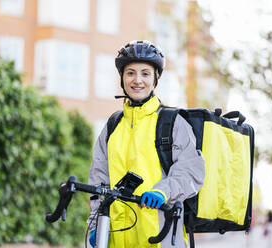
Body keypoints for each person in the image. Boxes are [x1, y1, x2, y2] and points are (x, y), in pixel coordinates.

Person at [87, 40, 205, 248]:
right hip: (115, 236)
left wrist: (162, 191)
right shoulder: (113, 125)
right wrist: (96, 222)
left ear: (155, 78)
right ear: (122, 78)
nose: (137, 80)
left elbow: (190, 171)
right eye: (130, 73)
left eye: (145, 73)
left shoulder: (172, 122)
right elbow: (99, 180)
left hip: (161, 236)